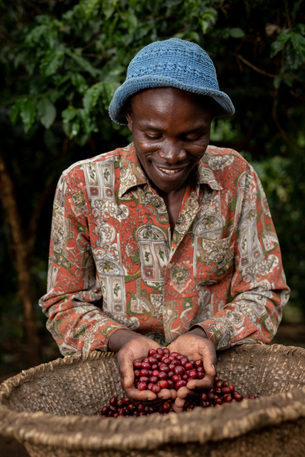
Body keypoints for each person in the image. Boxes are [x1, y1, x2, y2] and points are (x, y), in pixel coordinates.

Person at [39, 38, 290, 412]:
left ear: (209, 124)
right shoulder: (82, 186)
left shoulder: (236, 178)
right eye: (153, 135)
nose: (172, 155)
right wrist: (123, 340)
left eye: (193, 136)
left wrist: (206, 334)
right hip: (120, 385)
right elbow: (63, 301)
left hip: (215, 383)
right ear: (129, 118)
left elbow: (265, 290)